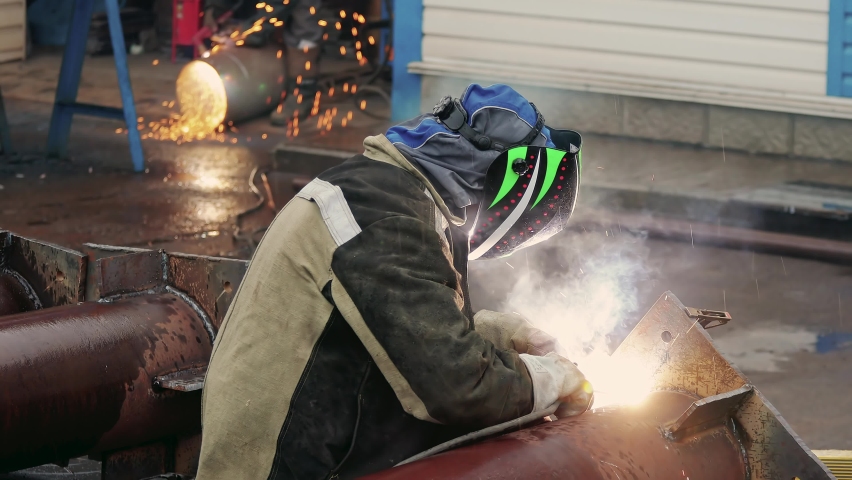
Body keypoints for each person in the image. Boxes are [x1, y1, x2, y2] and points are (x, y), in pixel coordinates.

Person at [196, 84, 591, 480]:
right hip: (281, 468)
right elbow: (456, 386)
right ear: (508, 173)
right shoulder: (385, 221)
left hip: (322, 431)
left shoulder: (389, 189)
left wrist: (507, 335)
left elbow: (402, 324)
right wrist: (548, 380)